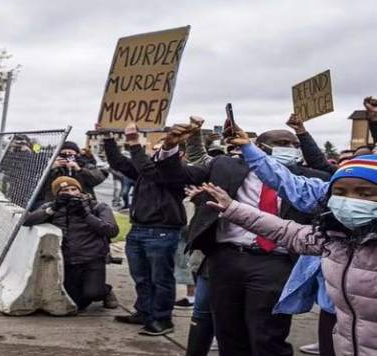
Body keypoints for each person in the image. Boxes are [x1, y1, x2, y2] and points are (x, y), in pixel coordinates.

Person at [155, 119, 330, 355]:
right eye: (281, 143)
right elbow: (178, 175)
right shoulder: (225, 166)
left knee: (267, 335)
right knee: (229, 333)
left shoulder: (306, 180)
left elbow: (335, 176)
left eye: (293, 144)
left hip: (275, 262)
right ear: (258, 145)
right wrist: (170, 147)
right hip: (227, 259)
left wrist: (303, 133)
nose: (288, 148)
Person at [201, 150, 377, 355]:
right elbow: (286, 231)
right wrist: (233, 208)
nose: (349, 201)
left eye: (365, 193)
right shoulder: (334, 239)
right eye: (339, 192)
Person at [103, 124, 192, 336]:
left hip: (162, 232)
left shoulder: (179, 173)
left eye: (163, 146)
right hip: (139, 230)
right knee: (141, 277)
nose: (157, 148)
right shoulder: (146, 170)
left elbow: (151, 172)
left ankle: (162, 319)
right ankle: (144, 311)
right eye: (158, 145)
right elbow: (118, 163)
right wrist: (107, 137)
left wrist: (134, 145)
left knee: (160, 278)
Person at [23, 176, 119, 311]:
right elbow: (27, 221)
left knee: (93, 293)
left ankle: (105, 291)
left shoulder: (97, 206)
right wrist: (53, 208)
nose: (70, 193)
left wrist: (85, 215)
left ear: (80, 190)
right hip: (67, 259)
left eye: (74, 189)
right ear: (57, 194)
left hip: (92, 257)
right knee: (77, 304)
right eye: (65, 190)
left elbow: (112, 230)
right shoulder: (51, 207)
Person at [39, 141, 107, 203]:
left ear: (77, 154)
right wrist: (50, 169)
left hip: (83, 202)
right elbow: (38, 185)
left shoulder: (86, 165)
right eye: (63, 154)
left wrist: (79, 169)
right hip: (56, 202)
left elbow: (97, 179)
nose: (67, 155)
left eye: (70, 154)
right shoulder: (51, 166)